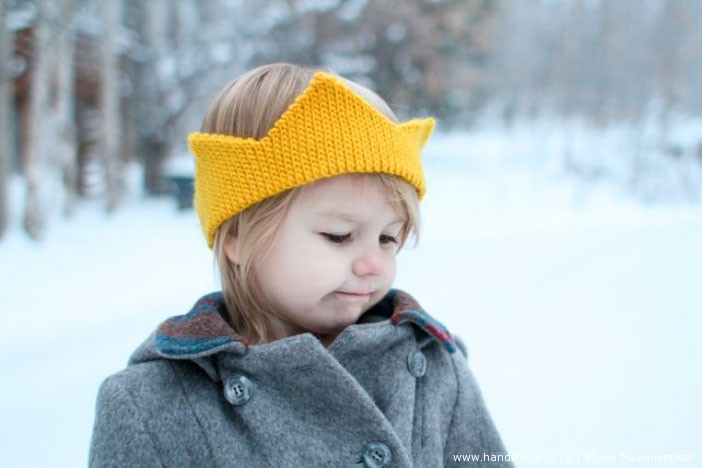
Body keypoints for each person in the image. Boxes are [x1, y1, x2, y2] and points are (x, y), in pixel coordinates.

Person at [89, 63, 512, 467]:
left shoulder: (435, 372)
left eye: (388, 238)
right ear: (237, 237)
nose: (373, 264)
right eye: (338, 236)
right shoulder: (151, 406)